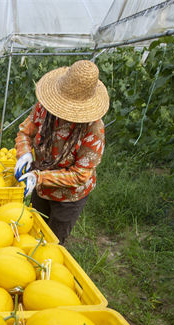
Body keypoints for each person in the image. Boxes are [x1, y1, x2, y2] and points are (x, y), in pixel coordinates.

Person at [15, 59, 109, 245]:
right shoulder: (44, 108)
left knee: (53, 240)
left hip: (69, 196)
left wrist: (40, 178)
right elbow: (26, 131)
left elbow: (80, 175)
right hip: (40, 186)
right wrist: (24, 152)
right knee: (34, 227)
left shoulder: (94, 130)